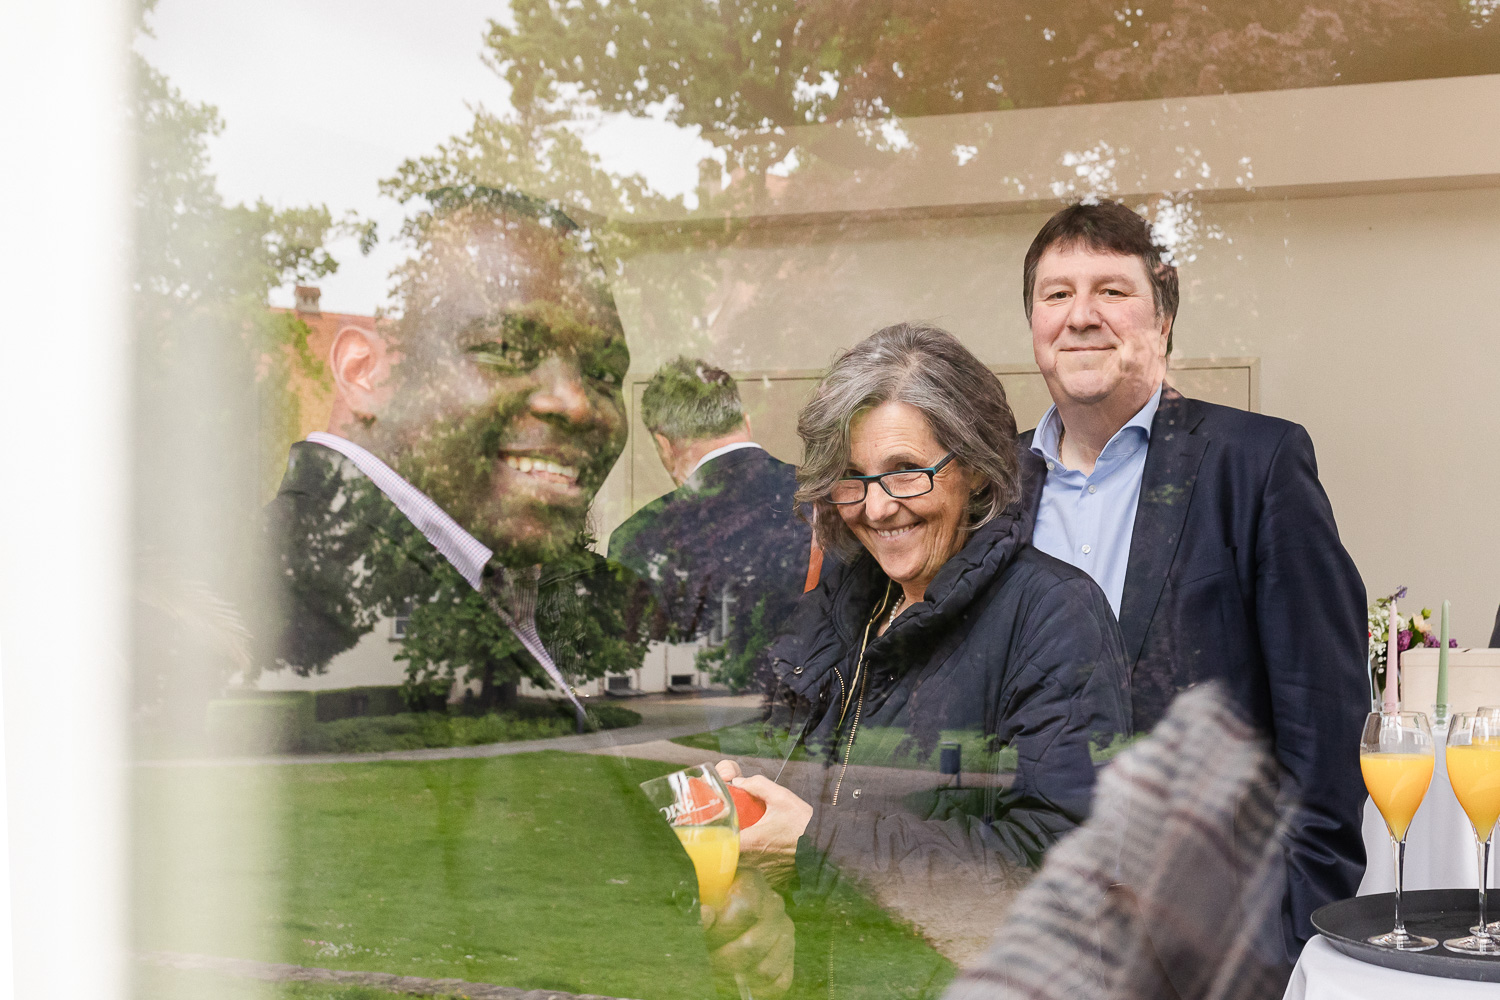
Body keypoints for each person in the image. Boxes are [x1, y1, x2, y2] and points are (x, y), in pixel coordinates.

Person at [713, 323, 1131, 996]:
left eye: (907, 471)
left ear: (973, 468)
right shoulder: (838, 608)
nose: (877, 507)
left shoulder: (1053, 613)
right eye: (853, 478)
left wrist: (816, 847)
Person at [1014, 199, 1368, 962]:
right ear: (1034, 327)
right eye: (1056, 294)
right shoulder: (991, 490)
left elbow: (1325, 722)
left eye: (1111, 291)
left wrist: (1293, 942)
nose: (1081, 316)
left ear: (1163, 321)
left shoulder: (1256, 465)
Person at [261, 189, 649, 718]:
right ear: (364, 372)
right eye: (508, 350)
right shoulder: (254, 598)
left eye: (604, 374)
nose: (577, 404)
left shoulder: (501, 589)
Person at [608, 357, 814, 689]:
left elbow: (627, 663)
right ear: (746, 423)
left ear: (664, 444)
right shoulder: (830, 500)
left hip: (699, 710)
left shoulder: (637, 537)